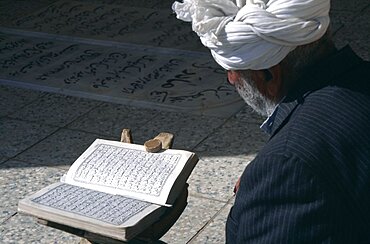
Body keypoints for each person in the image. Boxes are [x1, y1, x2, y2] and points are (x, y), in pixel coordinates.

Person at [172, 0, 370, 243]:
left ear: (268, 74)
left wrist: (268, 180)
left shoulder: (285, 170)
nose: (231, 80)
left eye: (232, 70)